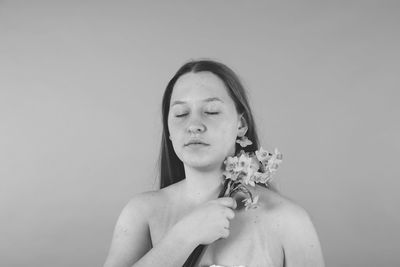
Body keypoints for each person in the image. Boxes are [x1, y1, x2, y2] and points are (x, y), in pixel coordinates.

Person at [103, 59, 325, 267]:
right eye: (180, 114)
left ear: (241, 125)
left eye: (211, 111)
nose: (194, 125)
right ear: (169, 131)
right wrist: (183, 237)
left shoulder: (287, 220)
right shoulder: (142, 213)